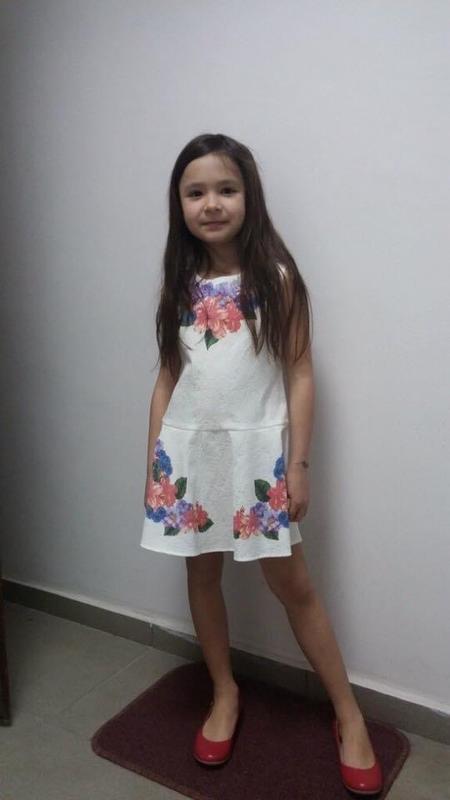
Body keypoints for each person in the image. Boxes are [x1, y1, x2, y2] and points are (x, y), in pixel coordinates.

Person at [140, 133, 383, 794]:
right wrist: (154, 462)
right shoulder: (179, 284)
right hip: (189, 454)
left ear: (249, 196)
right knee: (201, 573)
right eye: (195, 192)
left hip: (256, 458)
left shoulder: (276, 278)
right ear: (179, 204)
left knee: (293, 584)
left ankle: (348, 714)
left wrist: (297, 464)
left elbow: (299, 372)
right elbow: (167, 379)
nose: (211, 204)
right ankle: (225, 691)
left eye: (226, 189)